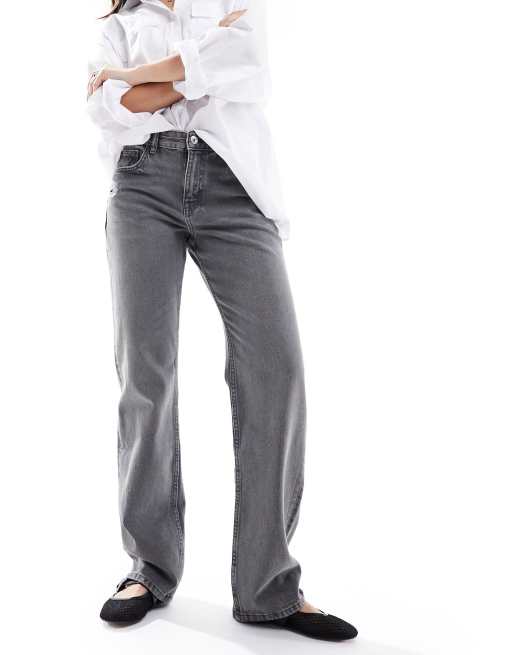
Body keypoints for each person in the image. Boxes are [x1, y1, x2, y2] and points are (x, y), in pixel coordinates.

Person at [87, 0, 357, 642]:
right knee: (146, 374)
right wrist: (195, 71)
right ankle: (149, 569)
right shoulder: (116, 23)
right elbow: (108, 108)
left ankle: (267, 586)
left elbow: (246, 63)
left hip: (236, 184)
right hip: (141, 185)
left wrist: (140, 79)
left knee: (275, 368)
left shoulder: (237, 4)